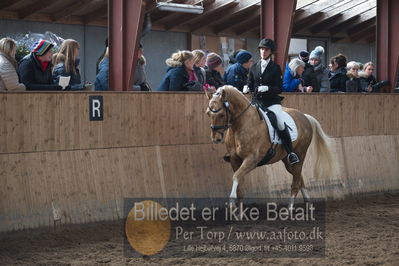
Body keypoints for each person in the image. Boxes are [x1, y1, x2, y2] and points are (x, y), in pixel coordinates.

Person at [247, 38, 299, 165]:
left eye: (266, 50)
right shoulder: (253, 67)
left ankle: (290, 152)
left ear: (270, 52)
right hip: (256, 102)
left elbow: (279, 88)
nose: (263, 52)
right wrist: (247, 87)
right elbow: (250, 83)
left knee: (280, 122)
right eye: (261, 49)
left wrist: (268, 88)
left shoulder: (275, 68)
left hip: (271, 102)